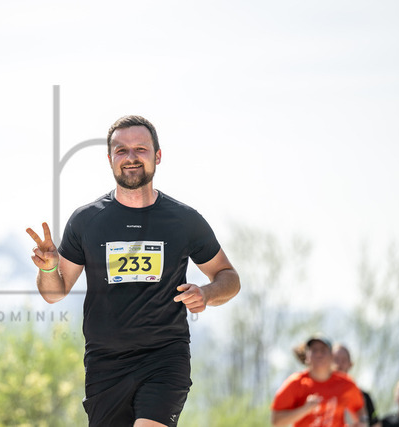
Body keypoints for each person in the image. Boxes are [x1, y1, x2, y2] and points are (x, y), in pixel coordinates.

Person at [26, 115, 240, 427]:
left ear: (158, 156)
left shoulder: (184, 220)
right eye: (121, 150)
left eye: (140, 149)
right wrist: (49, 269)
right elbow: (54, 294)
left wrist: (207, 293)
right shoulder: (86, 220)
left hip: (165, 357)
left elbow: (229, 277)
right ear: (109, 159)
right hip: (105, 365)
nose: (131, 157)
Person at [272, 334, 368, 427]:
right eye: (314, 350)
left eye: (323, 350)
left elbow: (359, 408)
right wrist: (304, 409)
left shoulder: (346, 383)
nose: (318, 354)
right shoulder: (296, 383)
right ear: (307, 357)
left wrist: (362, 422)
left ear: (331, 356)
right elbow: (276, 421)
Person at [333, 343, 381, 426]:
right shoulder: (320, 392)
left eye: (344, 360)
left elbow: (375, 424)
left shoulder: (363, 396)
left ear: (350, 365)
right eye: (336, 359)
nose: (339, 364)